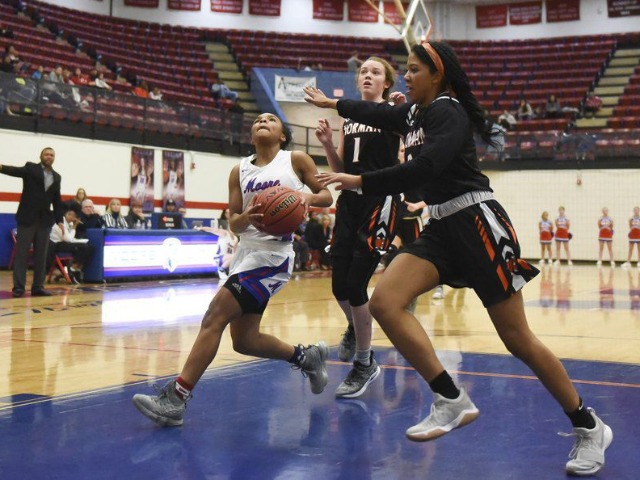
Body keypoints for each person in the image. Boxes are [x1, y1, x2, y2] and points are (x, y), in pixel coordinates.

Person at [304, 40, 612, 477]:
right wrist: (332, 103)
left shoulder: (447, 110)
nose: (406, 75)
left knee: (517, 339)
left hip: (477, 222)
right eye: (405, 69)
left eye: (414, 69)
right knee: (385, 302)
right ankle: (449, 397)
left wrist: (358, 181)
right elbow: (374, 113)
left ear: (438, 75)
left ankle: (589, 425)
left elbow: (424, 169)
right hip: (441, 227)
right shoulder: (412, 114)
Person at [132, 112, 333, 427]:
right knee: (245, 341)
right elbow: (234, 223)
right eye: (257, 120)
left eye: (271, 119)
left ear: (282, 135)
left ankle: (176, 399)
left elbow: (326, 195)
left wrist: (305, 197)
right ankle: (306, 357)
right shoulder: (239, 170)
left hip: (273, 256)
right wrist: (248, 218)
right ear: (251, 136)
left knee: (214, 316)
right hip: (246, 254)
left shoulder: (295, 160)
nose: (262, 121)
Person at [314, 56, 401, 399]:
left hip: (379, 200)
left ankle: (365, 363)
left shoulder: (393, 113)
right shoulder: (349, 118)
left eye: (375, 72)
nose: (367, 75)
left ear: (386, 83)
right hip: (349, 201)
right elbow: (341, 167)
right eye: (363, 71)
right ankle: (355, 326)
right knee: (339, 285)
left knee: (355, 284)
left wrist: (401, 107)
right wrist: (325, 143)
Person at [0, 147, 63, 297]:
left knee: (41, 255)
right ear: (41, 156)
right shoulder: (31, 168)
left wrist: (60, 220)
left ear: (54, 158)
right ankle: (19, 288)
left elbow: (57, 200)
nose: (49, 157)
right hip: (27, 218)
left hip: (44, 221)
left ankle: (38, 287)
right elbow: (15, 171)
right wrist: (1, 167)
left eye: (51, 155)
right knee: (21, 254)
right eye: (46, 154)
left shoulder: (57, 177)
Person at [47, 209, 93, 284]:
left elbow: (70, 238)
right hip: (57, 244)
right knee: (84, 247)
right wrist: (74, 227)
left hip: (65, 242)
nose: (72, 217)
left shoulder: (70, 223)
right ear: (66, 215)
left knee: (89, 247)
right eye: (70, 215)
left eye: (74, 216)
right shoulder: (60, 223)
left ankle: (75, 267)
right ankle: (72, 268)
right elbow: (68, 239)